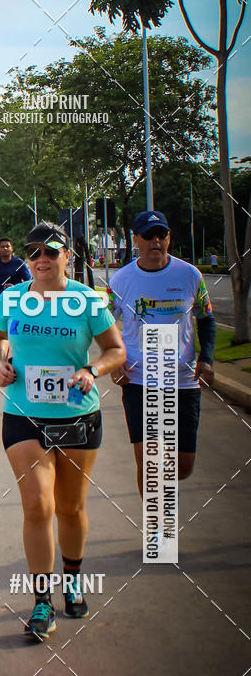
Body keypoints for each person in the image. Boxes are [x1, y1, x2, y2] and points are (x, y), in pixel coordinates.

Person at [0, 222, 125, 640]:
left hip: (77, 417)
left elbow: (115, 350)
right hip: (24, 415)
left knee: (70, 507)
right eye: (34, 253)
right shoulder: (12, 298)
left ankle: (75, 578)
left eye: (51, 252)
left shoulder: (86, 300)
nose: (42, 260)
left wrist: (92, 369)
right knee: (37, 507)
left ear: (67, 256)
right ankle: (42, 601)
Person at [108, 210, 216, 497]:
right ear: (136, 240)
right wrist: (114, 357)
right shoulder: (121, 280)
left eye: (161, 235)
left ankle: (165, 482)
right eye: (148, 235)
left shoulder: (190, 275)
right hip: (139, 379)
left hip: (182, 380)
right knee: (149, 460)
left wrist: (206, 358)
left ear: (168, 238)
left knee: (183, 466)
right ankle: (156, 530)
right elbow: (102, 322)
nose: (155, 240)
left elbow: (206, 319)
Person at [0, 237, 32, 309]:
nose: (5, 248)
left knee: (14, 320)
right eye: (2, 247)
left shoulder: (19, 263)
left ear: (11, 248)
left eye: (7, 246)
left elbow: (29, 282)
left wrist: (15, 287)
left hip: (16, 300)